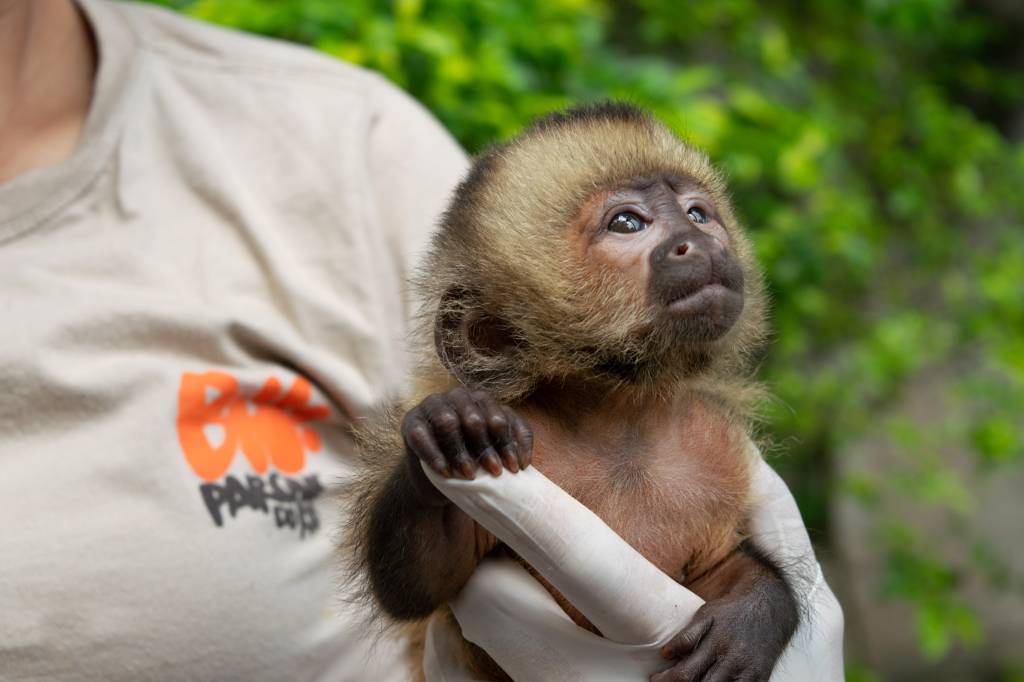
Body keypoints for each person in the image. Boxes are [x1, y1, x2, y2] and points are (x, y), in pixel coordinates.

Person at [0, 1, 842, 680]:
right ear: (488, 331)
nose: (693, 241)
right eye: (626, 223)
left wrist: (768, 603)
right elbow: (411, 586)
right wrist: (431, 475)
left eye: (697, 210)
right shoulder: (507, 445)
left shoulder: (343, 141)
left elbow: (738, 573)